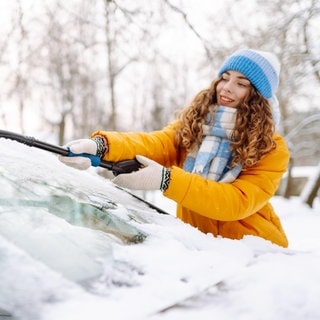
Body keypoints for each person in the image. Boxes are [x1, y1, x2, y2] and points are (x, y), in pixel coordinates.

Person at [59, 49, 290, 247]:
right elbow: (155, 144)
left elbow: (236, 202)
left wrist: (167, 180)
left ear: (258, 96)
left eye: (241, 84)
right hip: (202, 245)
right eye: (225, 78)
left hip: (255, 251)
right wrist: (101, 146)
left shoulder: (271, 147)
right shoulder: (195, 125)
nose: (227, 88)